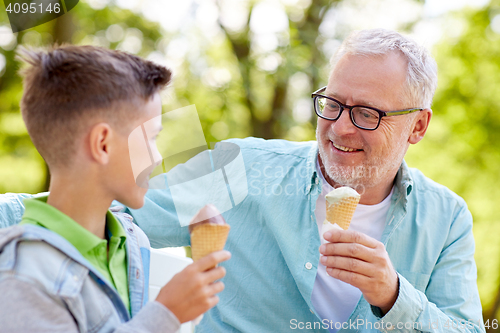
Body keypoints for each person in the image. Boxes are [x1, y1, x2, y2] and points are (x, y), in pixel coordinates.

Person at [0, 29, 484, 332]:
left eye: (366, 114)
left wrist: (393, 295)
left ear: (417, 126)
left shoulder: (446, 220)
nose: (338, 128)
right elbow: (110, 206)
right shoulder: (247, 169)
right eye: (332, 104)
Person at [0, 45, 230, 333]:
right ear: (103, 144)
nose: (158, 157)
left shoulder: (130, 240)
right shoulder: (21, 274)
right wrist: (167, 313)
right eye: (150, 138)